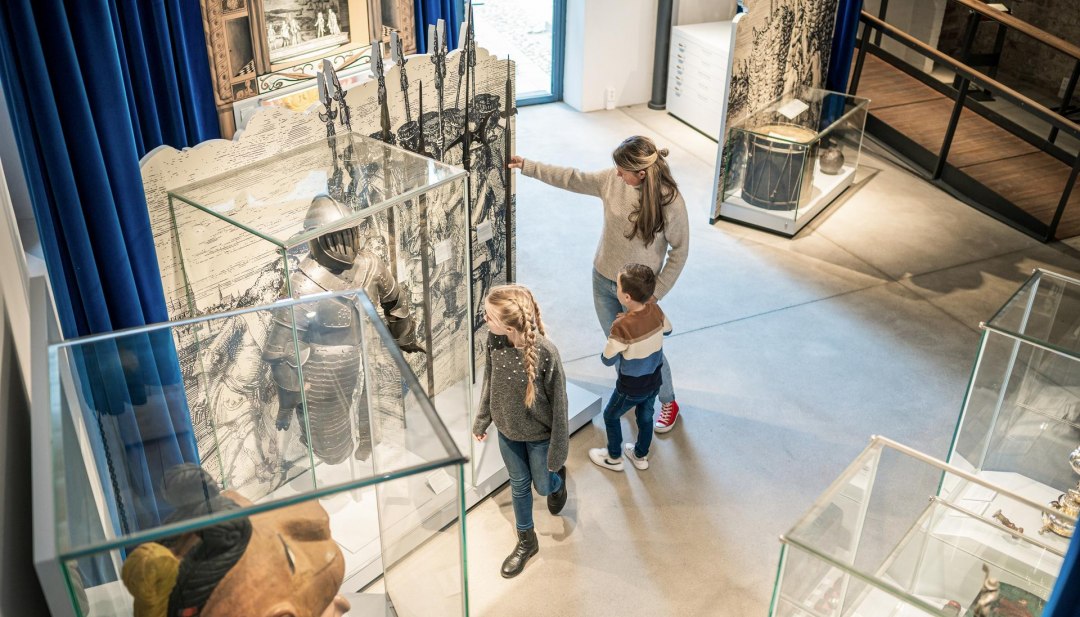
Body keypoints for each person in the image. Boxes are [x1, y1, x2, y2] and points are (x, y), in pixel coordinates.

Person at [508, 135, 688, 433]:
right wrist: (528, 166)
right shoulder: (611, 181)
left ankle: (668, 400)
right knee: (620, 346)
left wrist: (656, 293)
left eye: (623, 170)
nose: (617, 173)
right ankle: (631, 391)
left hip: (641, 294)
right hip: (604, 279)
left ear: (641, 173)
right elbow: (572, 178)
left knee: (648, 351)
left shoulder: (669, 201)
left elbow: (680, 251)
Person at [473, 284, 569, 578]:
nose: (485, 320)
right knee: (518, 485)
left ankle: (556, 482)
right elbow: (489, 381)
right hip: (508, 432)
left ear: (509, 323)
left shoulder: (547, 353)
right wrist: (482, 419)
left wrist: (557, 453)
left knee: (542, 485)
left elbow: (560, 407)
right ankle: (527, 541)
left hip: (540, 437)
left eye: (490, 317)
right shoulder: (494, 341)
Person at [589, 264, 672, 472]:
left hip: (630, 386)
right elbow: (668, 330)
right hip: (654, 380)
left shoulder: (621, 327)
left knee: (610, 415)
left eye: (617, 286)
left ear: (626, 297)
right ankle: (640, 456)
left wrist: (619, 328)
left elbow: (607, 359)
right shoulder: (656, 310)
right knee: (646, 417)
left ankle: (614, 457)